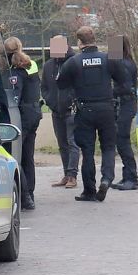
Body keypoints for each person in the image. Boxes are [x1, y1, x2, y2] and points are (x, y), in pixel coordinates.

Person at [56, 26, 126, 203]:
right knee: (109, 147)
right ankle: (106, 179)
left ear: (79, 42)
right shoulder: (109, 58)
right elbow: (124, 80)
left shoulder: (74, 62)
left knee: (87, 152)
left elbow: (60, 83)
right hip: (107, 109)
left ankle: (89, 190)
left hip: (85, 110)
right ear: (94, 39)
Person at [41, 36, 79, 189]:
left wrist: (73, 101)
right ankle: (66, 174)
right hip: (56, 111)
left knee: (72, 143)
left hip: (72, 110)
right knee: (62, 144)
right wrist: (50, 101)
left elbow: (79, 84)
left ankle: (72, 175)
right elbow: (44, 87)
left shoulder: (74, 63)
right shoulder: (48, 65)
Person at [9, 48, 42, 211]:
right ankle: (31, 194)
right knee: (28, 156)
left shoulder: (16, 74)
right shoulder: (32, 66)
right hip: (35, 113)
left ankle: (26, 197)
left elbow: (15, 97)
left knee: (17, 156)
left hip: (24, 116)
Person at [111, 35, 138, 191]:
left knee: (123, 141)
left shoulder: (124, 64)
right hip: (125, 104)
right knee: (121, 141)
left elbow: (125, 87)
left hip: (125, 104)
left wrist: (108, 91)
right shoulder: (126, 62)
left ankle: (132, 178)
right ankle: (127, 175)